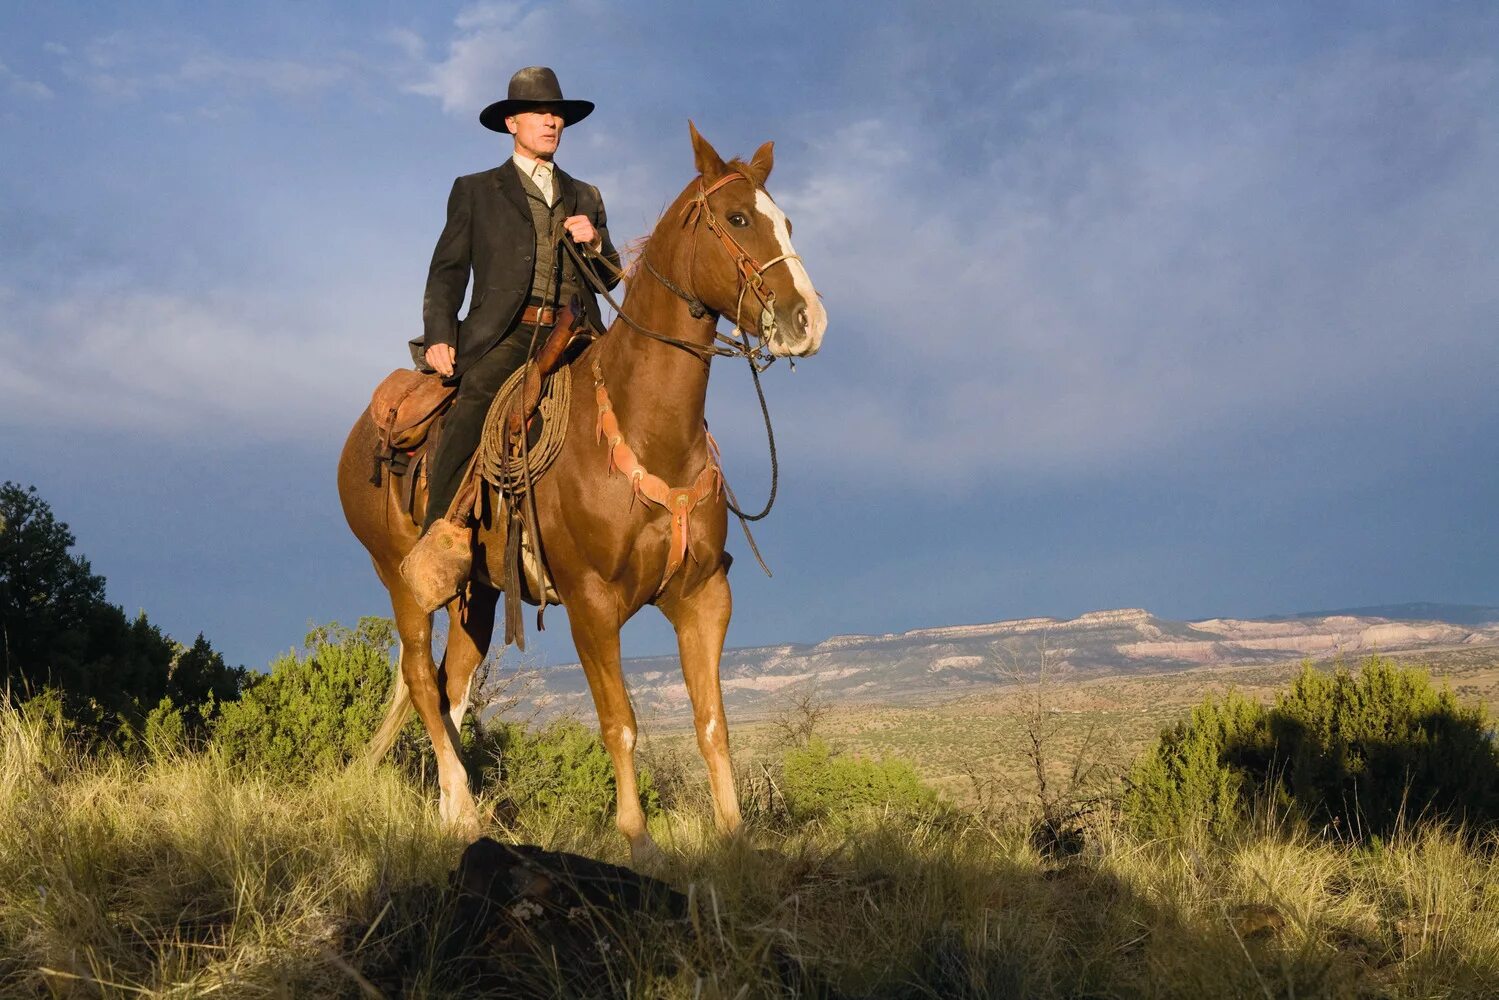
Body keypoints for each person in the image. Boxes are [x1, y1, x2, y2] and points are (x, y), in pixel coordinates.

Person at [415, 65, 620, 546]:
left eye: (557, 116)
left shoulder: (585, 194)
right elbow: (448, 271)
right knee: (472, 407)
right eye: (539, 114)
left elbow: (610, 276)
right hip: (507, 334)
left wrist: (594, 245)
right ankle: (437, 538)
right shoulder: (476, 189)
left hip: (580, 332)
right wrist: (441, 332)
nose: (551, 123)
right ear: (512, 123)